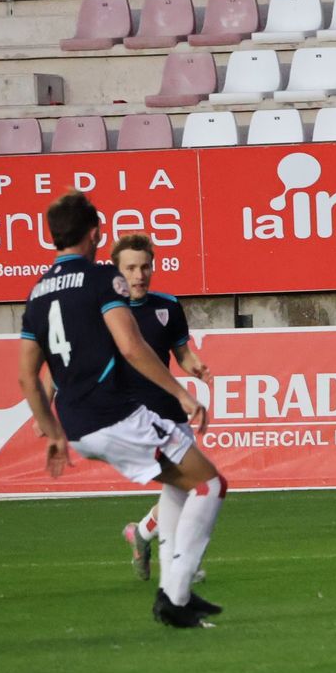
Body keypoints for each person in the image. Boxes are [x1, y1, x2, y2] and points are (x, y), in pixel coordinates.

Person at [18, 191, 226, 628]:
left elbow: (27, 377)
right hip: (115, 414)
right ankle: (176, 597)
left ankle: (174, 587)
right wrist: (184, 394)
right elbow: (131, 347)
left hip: (77, 425)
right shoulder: (100, 279)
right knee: (210, 485)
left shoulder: (37, 292)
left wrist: (52, 431)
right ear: (96, 232)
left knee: (178, 486)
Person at [107, 233, 214, 586]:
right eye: (131, 268)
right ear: (117, 272)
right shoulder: (104, 314)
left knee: (183, 489)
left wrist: (193, 364)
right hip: (134, 418)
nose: (139, 275)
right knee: (191, 487)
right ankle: (179, 564)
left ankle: (142, 534)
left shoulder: (167, 306)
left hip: (170, 411)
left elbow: (181, 352)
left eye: (145, 267)